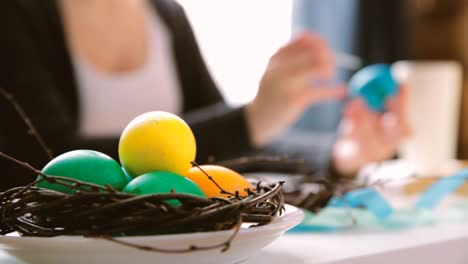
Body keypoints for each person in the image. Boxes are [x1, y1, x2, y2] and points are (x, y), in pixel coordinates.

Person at [0, 0, 409, 191]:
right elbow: (40, 162)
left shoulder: (166, 17)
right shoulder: (14, 15)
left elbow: (215, 157)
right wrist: (250, 119)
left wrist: (339, 155)